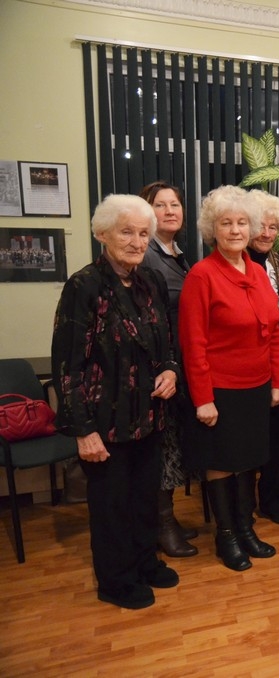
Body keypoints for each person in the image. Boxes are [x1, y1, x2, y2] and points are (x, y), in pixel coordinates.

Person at [52, 194, 181, 609]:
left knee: (145, 498)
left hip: (149, 416)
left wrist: (171, 370)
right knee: (111, 507)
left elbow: (166, 343)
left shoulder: (152, 282)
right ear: (102, 233)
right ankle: (115, 580)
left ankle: (145, 563)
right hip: (104, 421)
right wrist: (83, 431)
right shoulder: (84, 286)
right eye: (126, 231)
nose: (136, 241)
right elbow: (67, 366)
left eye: (144, 233)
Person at [178, 185, 279, 572]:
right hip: (220, 389)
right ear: (213, 229)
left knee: (248, 461)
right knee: (222, 462)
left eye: (242, 222)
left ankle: (246, 527)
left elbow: (273, 330)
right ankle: (227, 535)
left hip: (257, 386)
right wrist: (203, 398)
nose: (236, 230)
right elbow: (193, 344)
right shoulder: (201, 276)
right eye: (227, 223)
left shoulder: (258, 273)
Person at [139, 181, 198, 558]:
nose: (170, 210)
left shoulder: (178, 254)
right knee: (163, 449)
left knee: (174, 445)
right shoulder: (145, 256)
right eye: (160, 205)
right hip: (158, 366)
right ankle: (160, 523)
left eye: (175, 204)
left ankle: (166, 518)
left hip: (182, 362)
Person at [246, 190, 279, 526]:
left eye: (273, 227)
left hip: (277, 360)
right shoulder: (235, 262)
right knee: (248, 437)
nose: (266, 233)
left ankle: (272, 499)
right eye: (260, 226)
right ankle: (243, 503)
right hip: (245, 365)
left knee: (278, 433)